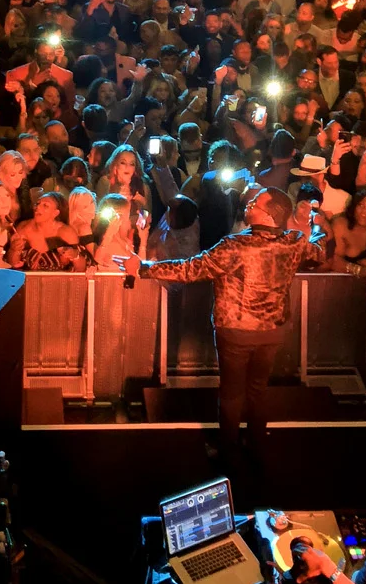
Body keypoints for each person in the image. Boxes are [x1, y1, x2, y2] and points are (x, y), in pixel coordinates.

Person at [118, 188, 320, 454]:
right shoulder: (295, 242)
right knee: (258, 389)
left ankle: (227, 449)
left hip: (236, 330)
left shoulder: (234, 246)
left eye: (255, 204)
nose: (248, 205)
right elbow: (318, 253)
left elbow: (190, 269)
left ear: (270, 215)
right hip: (273, 331)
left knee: (232, 392)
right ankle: (256, 444)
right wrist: (317, 225)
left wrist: (144, 267)